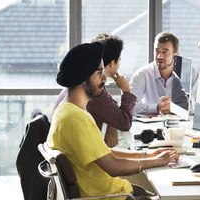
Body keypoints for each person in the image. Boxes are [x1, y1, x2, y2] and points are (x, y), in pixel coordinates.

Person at [50, 42, 179, 199]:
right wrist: (156, 161)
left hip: (116, 192)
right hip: (114, 197)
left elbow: (104, 153)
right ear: (83, 78)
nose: (104, 78)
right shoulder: (77, 119)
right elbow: (113, 166)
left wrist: (148, 155)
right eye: (99, 73)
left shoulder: (65, 111)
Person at [53, 33, 135, 148]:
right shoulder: (93, 91)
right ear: (112, 63)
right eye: (119, 60)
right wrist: (126, 91)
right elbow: (124, 123)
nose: (104, 78)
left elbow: (110, 111)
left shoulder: (79, 81)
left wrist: (112, 125)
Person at [129, 32, 189, 115]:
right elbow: (130, 106)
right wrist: (157, 107)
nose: (159, 57)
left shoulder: (188, 74)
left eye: (165, 52)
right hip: (150, 126)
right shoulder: (142, 74)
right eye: (157, 51)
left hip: (181, 126)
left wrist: (174, 109)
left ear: (175, 55)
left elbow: (195, 107)